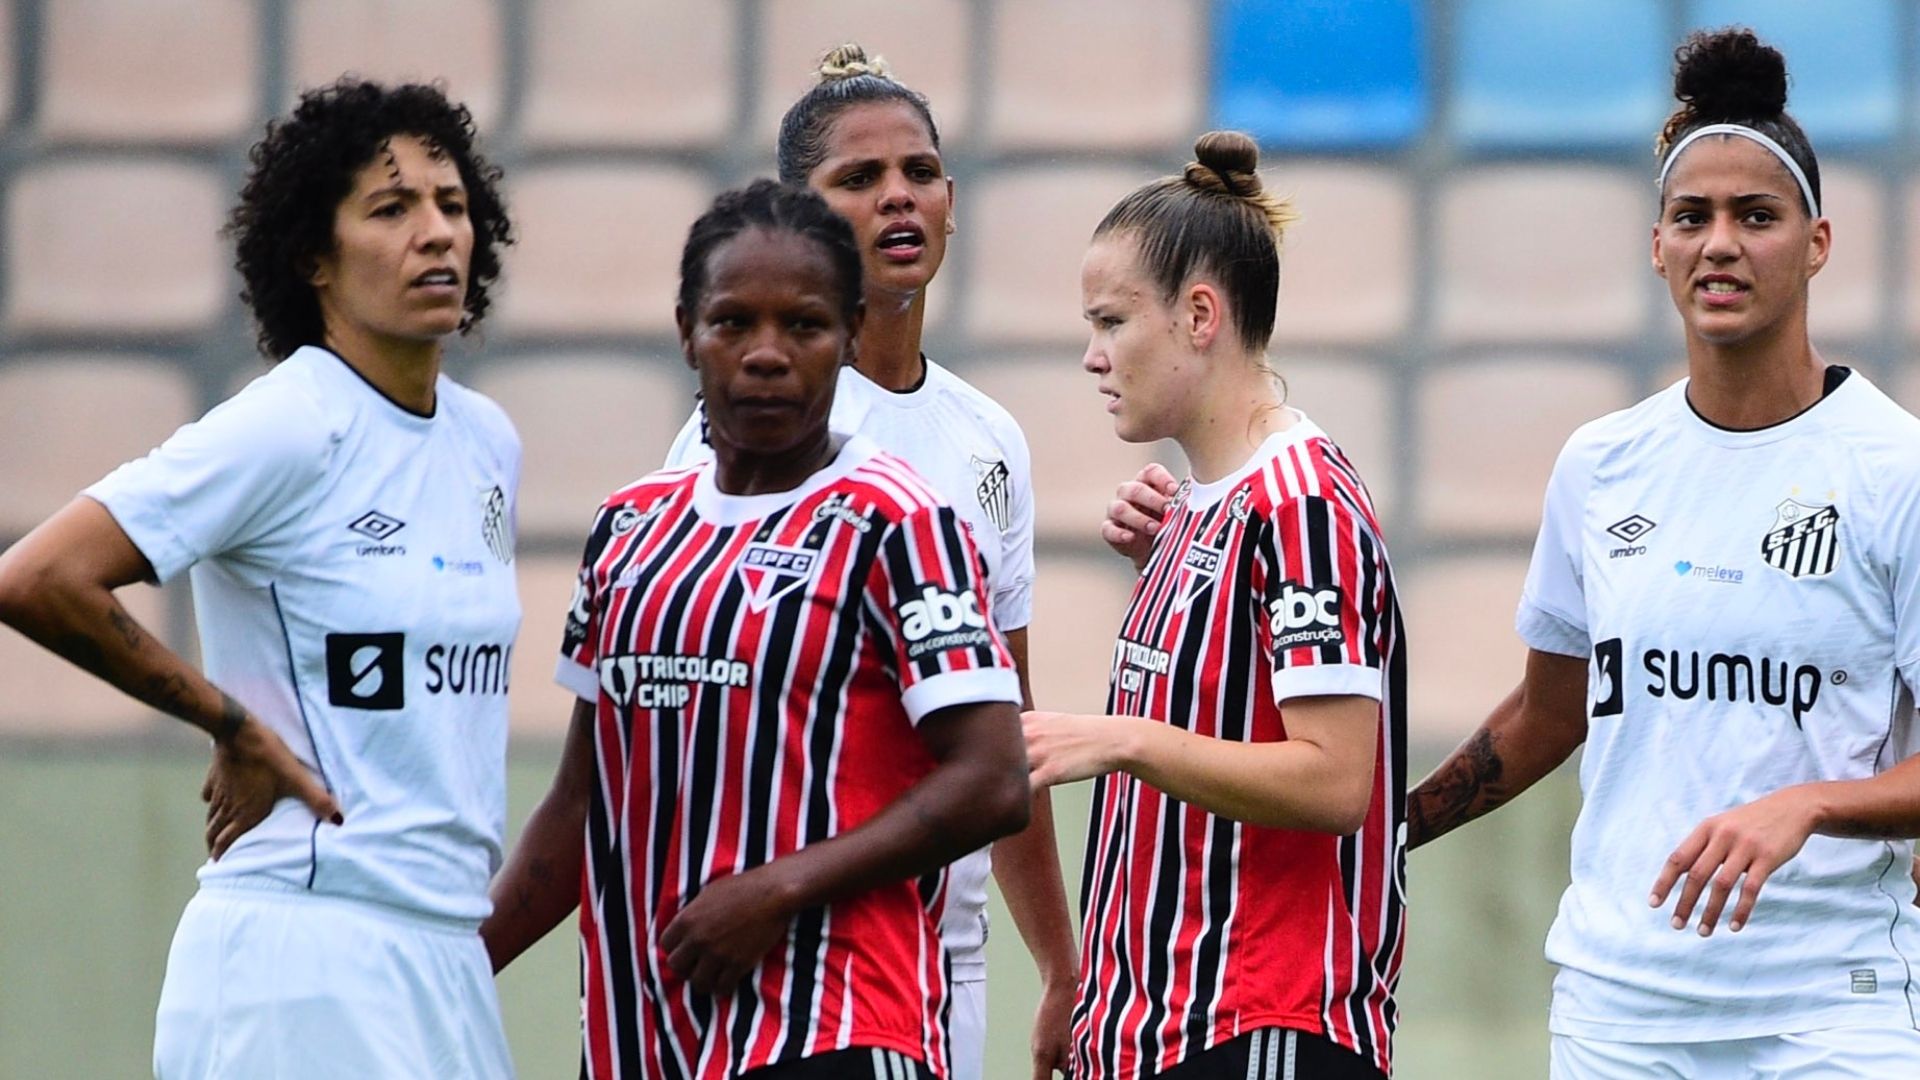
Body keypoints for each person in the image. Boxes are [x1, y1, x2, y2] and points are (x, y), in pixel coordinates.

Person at [488, 43, 1079, 1080]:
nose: (899, 197)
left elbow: (1005, 739)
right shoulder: (693, 480)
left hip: (908, 958)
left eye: (920, 172)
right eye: (860, 179)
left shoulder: (980, 446)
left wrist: (1060, 962)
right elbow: (608, 781)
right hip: (699, 967)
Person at [1398, 27, 1920, 1078]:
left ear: (1817, 242)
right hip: (1618, 1014)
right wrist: (1384, 835)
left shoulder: (1895, 469)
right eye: (1694, 217)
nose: (1720, 243)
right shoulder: (1602, 465)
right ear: (1657, 246)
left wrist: (1807, 802)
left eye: (1755, 217)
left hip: (1830, 1015)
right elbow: (1549, 712)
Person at [0, 78, 521, 1077]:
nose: (437, 233)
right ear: (312, 259)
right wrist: (229, 725)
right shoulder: (289, 423)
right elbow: (40, 576)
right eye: (391, 208)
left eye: (451, 205)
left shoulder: (487, 442)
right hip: (306, 949)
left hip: (447, 954)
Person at [1025, 131, 1405, 1080]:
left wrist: (1119, 738)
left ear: (1200, 315)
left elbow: (1332, 780)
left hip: (1258, 1025)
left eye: (1111, 322)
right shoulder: (1203, 504)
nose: (1092, 356)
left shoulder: (1301, 504)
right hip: (1153, 1031)